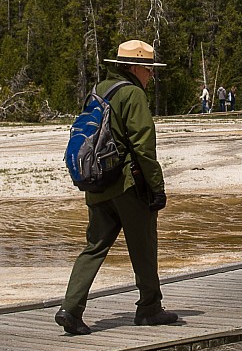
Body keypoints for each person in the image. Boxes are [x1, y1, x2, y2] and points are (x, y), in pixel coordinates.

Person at [57, 39, 180, 335]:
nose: (151, 76)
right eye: (149, 70)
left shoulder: (99, 89)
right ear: (136, 67)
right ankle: (150, 309)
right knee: (144, 247)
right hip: (127, 184)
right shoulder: (133, 95)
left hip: (97, 183)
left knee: (94, 247)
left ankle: (70, 309)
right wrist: (157, 188)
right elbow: (144, 145)